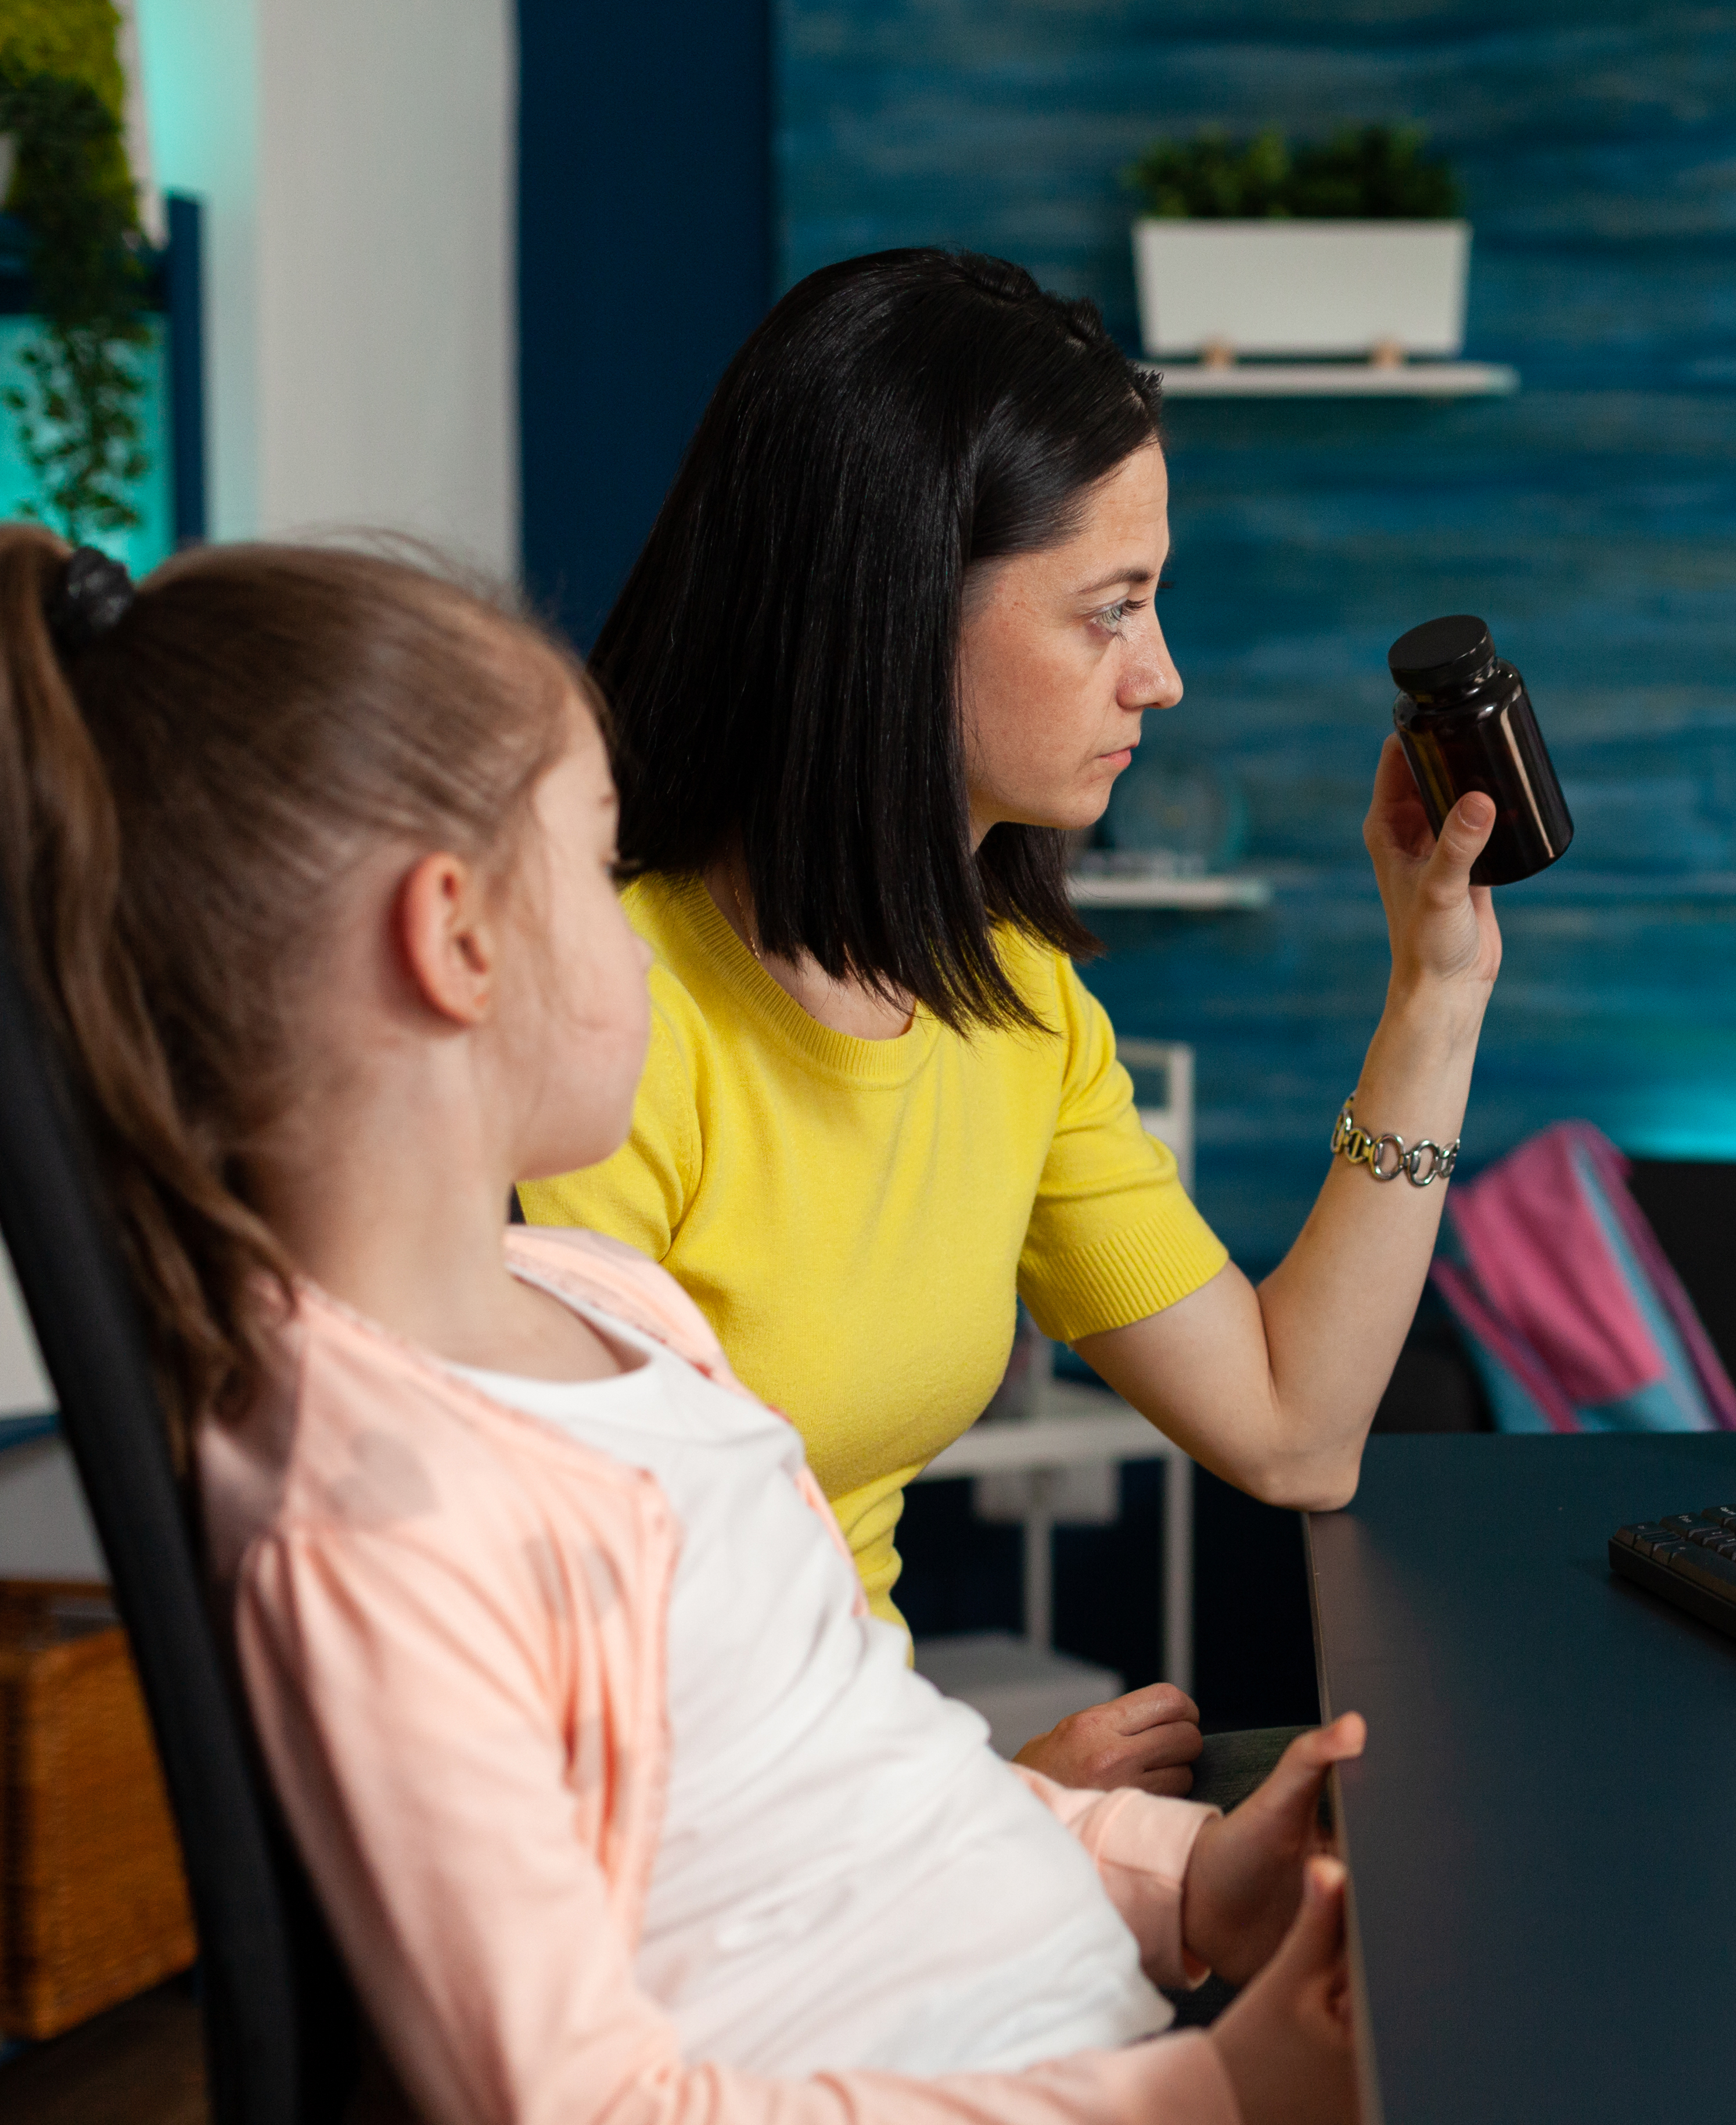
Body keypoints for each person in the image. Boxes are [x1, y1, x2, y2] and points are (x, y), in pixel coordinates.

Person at [0, 527, 1366, 2123]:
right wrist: (1211, 2093)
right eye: (595, 861)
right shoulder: (384, 1527)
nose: (643, 927)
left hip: (1101, 2028)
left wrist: (1188, 1882)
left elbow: (840, 1781)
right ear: (456, 939)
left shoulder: (605, 1309)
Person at [519, 250, 1501, 1800]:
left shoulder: (1017, 1010)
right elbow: (569, 1643)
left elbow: (1294, 1432)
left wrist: (1436, 997)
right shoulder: (603, 1019)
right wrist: (998, 1814)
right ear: (896, 608)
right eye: (1109, 613)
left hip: (858, 1802)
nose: (1162, 679)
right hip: (691, 1842)